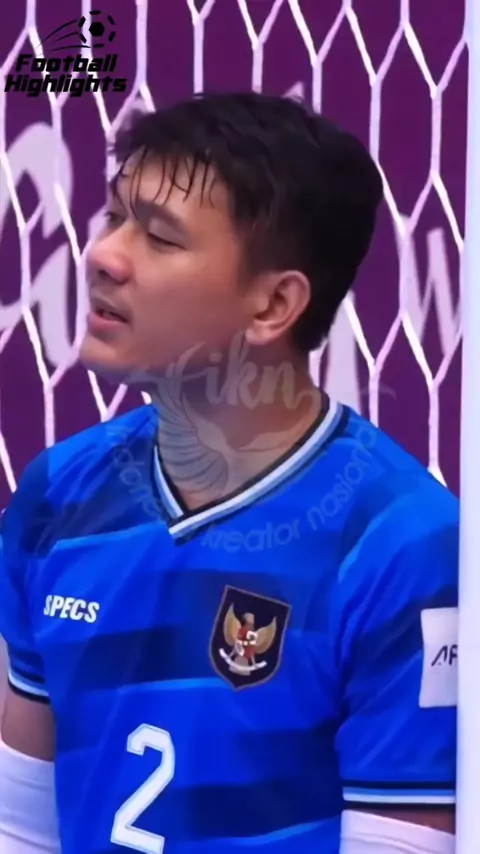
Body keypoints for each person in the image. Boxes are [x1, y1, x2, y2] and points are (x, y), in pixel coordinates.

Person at [0, 92, 458, 854]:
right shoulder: (58, 495)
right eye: (114, 217)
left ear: (274, 304)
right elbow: (18, 825)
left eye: (159, 237)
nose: (103, 255)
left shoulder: (404, 548)